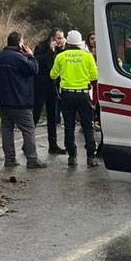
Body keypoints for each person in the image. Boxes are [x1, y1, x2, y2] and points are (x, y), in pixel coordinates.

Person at [0, 31, 46, 169]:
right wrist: (31, 56)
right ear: (20, 43)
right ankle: (32, 159)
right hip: (19, 101)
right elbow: (34, 69)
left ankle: (9, 159)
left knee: (7, 129)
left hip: (3, 102)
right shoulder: (19, 58)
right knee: (28, 129)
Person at [50, 30, 100, 167]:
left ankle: (72, 156)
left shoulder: (60, 56)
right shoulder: (88, 56)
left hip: (67, 95)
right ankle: (91, 156)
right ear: (80, 43)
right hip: (83, 94)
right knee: (88, 126)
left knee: (69, 126)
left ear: (68, 42)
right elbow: (95, 77)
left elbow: (53, 75)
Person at [32, 29, 66, 155]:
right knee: (35, 115)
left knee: (53, 118)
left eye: (62, 38)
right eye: (58, 38)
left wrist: (62, 50)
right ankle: (28, 145)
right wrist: (50, 52)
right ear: (52, 38)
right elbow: (38, 63)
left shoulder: (62, 50)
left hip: (54, 86)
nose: (60, 41)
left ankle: (53, 145)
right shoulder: (40, 47)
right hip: (40, 85)